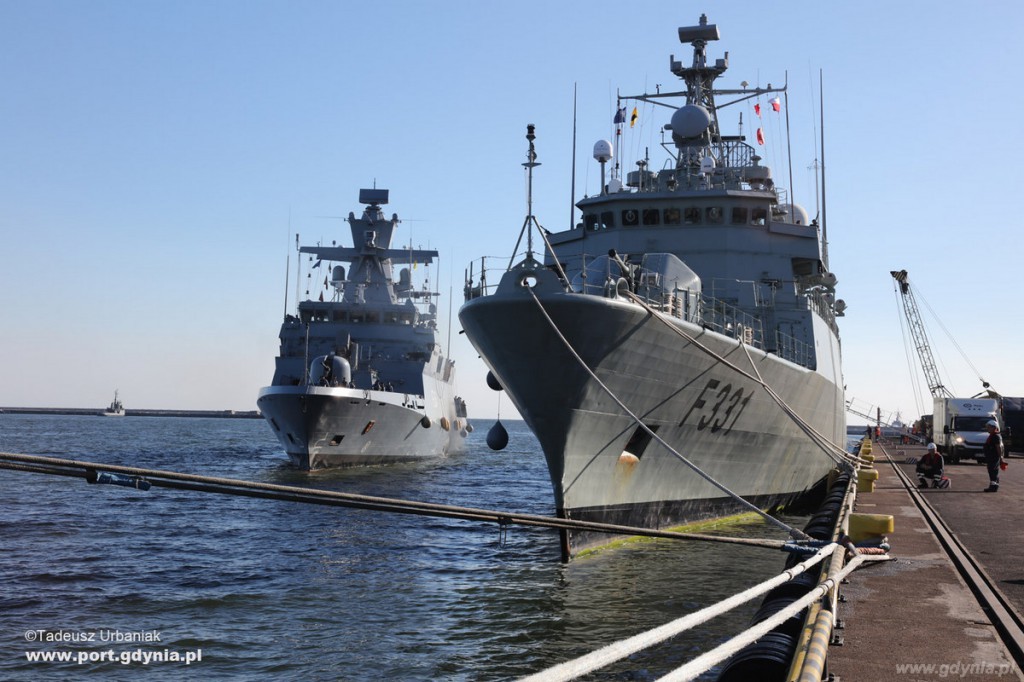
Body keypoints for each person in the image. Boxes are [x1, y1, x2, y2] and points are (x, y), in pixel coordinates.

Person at [983, 419, 1005, 493]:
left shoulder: (995, 436)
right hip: (991, 457)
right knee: (992, 471)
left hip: (993, 458)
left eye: (989, 427)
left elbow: (998, 447)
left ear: (994, 427)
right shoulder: (993, 435)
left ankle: (993, 487)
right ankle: (994, 486)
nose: (987, 428)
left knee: (993, 472)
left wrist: (1001, 457)